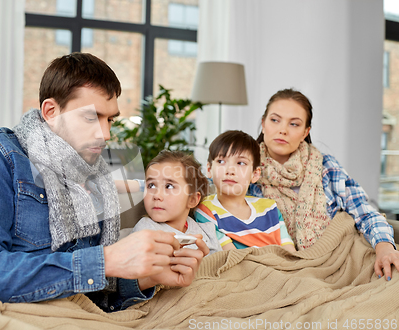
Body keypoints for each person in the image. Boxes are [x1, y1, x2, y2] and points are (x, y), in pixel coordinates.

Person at [0, 53, 209, 312]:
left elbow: (95, 292)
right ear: (51, 111)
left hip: (80, 314)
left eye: (110, 119)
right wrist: (105, 260)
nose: (105, 134)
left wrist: (149, 277)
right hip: (14, 313)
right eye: (91, 116)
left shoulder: (97, 179)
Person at [249, 88, 399, 279]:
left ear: (305, 132)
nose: (283, 130)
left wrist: (384, 246)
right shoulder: (243, 168)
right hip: (282, 270)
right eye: (275, 120)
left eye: (294, 124)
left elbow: (364, 211)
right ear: (263, 124)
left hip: (345, 259)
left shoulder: (325, 165)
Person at [194, 130, 296, 252]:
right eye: (221, 161)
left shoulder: (270, 208)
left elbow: (290, 253)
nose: (230, 170)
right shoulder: (205, 210)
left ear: (255, 174)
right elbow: (232, 257)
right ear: (209, 169)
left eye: (241, 163)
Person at [132, 150, 221, 254]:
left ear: (192, 200)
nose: (156, 195)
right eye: (151, 185)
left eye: (169, 186)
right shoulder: (146, 231)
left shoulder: (207, 231)